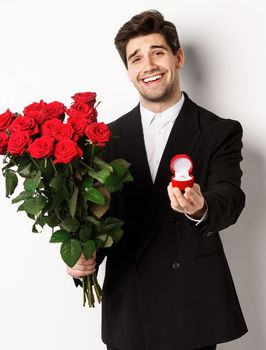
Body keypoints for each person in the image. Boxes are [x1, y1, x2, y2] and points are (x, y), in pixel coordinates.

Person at [66, 9, 248, 350]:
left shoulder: (219, 131)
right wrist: (83, 258)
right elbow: (99, 217)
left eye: (157, 53)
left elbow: (230, 197)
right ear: (129, 72)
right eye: (136, 58)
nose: (148, 65)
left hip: (191, 310)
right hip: (128, 310)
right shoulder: (104, 138)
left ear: (177, 58)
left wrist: (200, 207)